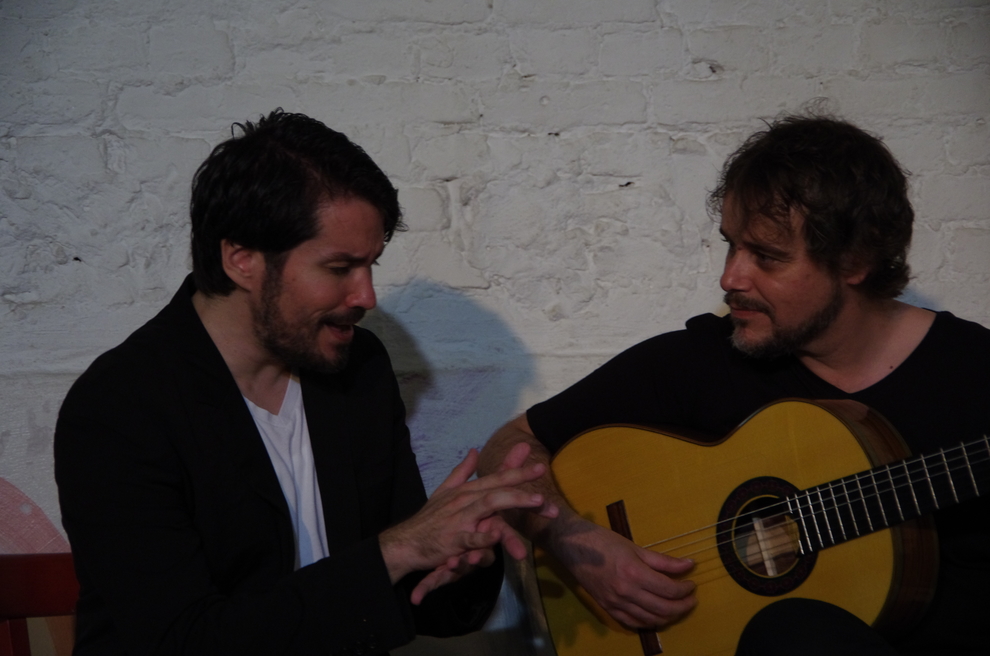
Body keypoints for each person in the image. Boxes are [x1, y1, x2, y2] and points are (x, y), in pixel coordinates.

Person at [479, 114, 990, 654]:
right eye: (731, 246)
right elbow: (507, 447)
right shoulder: (701, 362)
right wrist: (574, 540)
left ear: (854, 261)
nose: (730, 278)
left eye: (766, 256)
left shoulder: (974, 374)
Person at [54, 110, 554, 656]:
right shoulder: (118, 408)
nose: (366, 296)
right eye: (339, 268)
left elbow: (410, 600)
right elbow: (183, 641)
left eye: (371, 265)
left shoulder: (358, 369)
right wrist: (399, 550)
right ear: (242, 259)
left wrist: (461, 552)